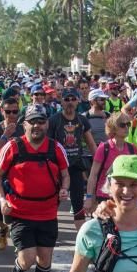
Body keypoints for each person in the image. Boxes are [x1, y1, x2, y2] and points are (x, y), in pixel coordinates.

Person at [0, 104, 70, 272]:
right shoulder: (13, 147)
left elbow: (65, 174)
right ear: (24, 125)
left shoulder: (55, 148)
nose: (37, 125)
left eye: (41, 121)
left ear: (47, 124)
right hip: (20, 213)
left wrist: (65, 189)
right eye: (32, 121)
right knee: (26, 259)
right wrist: (2, 200)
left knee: (44, 258)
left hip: (48, 213)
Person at [48, 88, 97, 229]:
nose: (70, 102)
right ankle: (49, 234)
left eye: (73, 99)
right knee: (53, 202)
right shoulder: (54, 120)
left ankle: (81, 238)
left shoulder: (82, 120)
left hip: (75, 166)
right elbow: (48, 145)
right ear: (61, 101)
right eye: (66, 99)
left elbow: (91, 144)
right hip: (57, 167)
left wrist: (101, 162)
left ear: (78, 101)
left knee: (78, 203)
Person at [0, 96, 25, 251]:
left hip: (20, 175)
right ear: (2, 111)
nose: (11, 115)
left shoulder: (23, 128)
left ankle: (19, 239)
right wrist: (5, 136)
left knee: (20, 208)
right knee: (1, 211)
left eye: (15, 111)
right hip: (1, 175)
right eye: (8, 111)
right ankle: (3, 230)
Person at [85, 112, 137, 216]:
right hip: (103, 196)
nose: (126, 128)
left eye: (128, 124)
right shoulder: (104, 148)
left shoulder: (132, 149)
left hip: (124, 196)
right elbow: (93, 175)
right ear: (113, 128)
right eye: (122, 125)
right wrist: (89, 198)